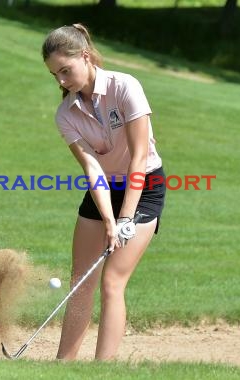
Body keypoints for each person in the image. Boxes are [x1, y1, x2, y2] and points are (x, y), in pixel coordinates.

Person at [41, 23, 166, 361]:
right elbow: (93, 169)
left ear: (85, 56)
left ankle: (102, 369)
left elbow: (139, 156)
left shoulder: (125, 87)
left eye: (66, 71)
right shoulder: (65, 114)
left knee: (112, 282)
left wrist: (125, 218)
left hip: (144, 185)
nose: (62, 82)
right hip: (104, 189)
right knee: (80, 282)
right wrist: (109, 220)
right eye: (55, 75)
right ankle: (62, 366)